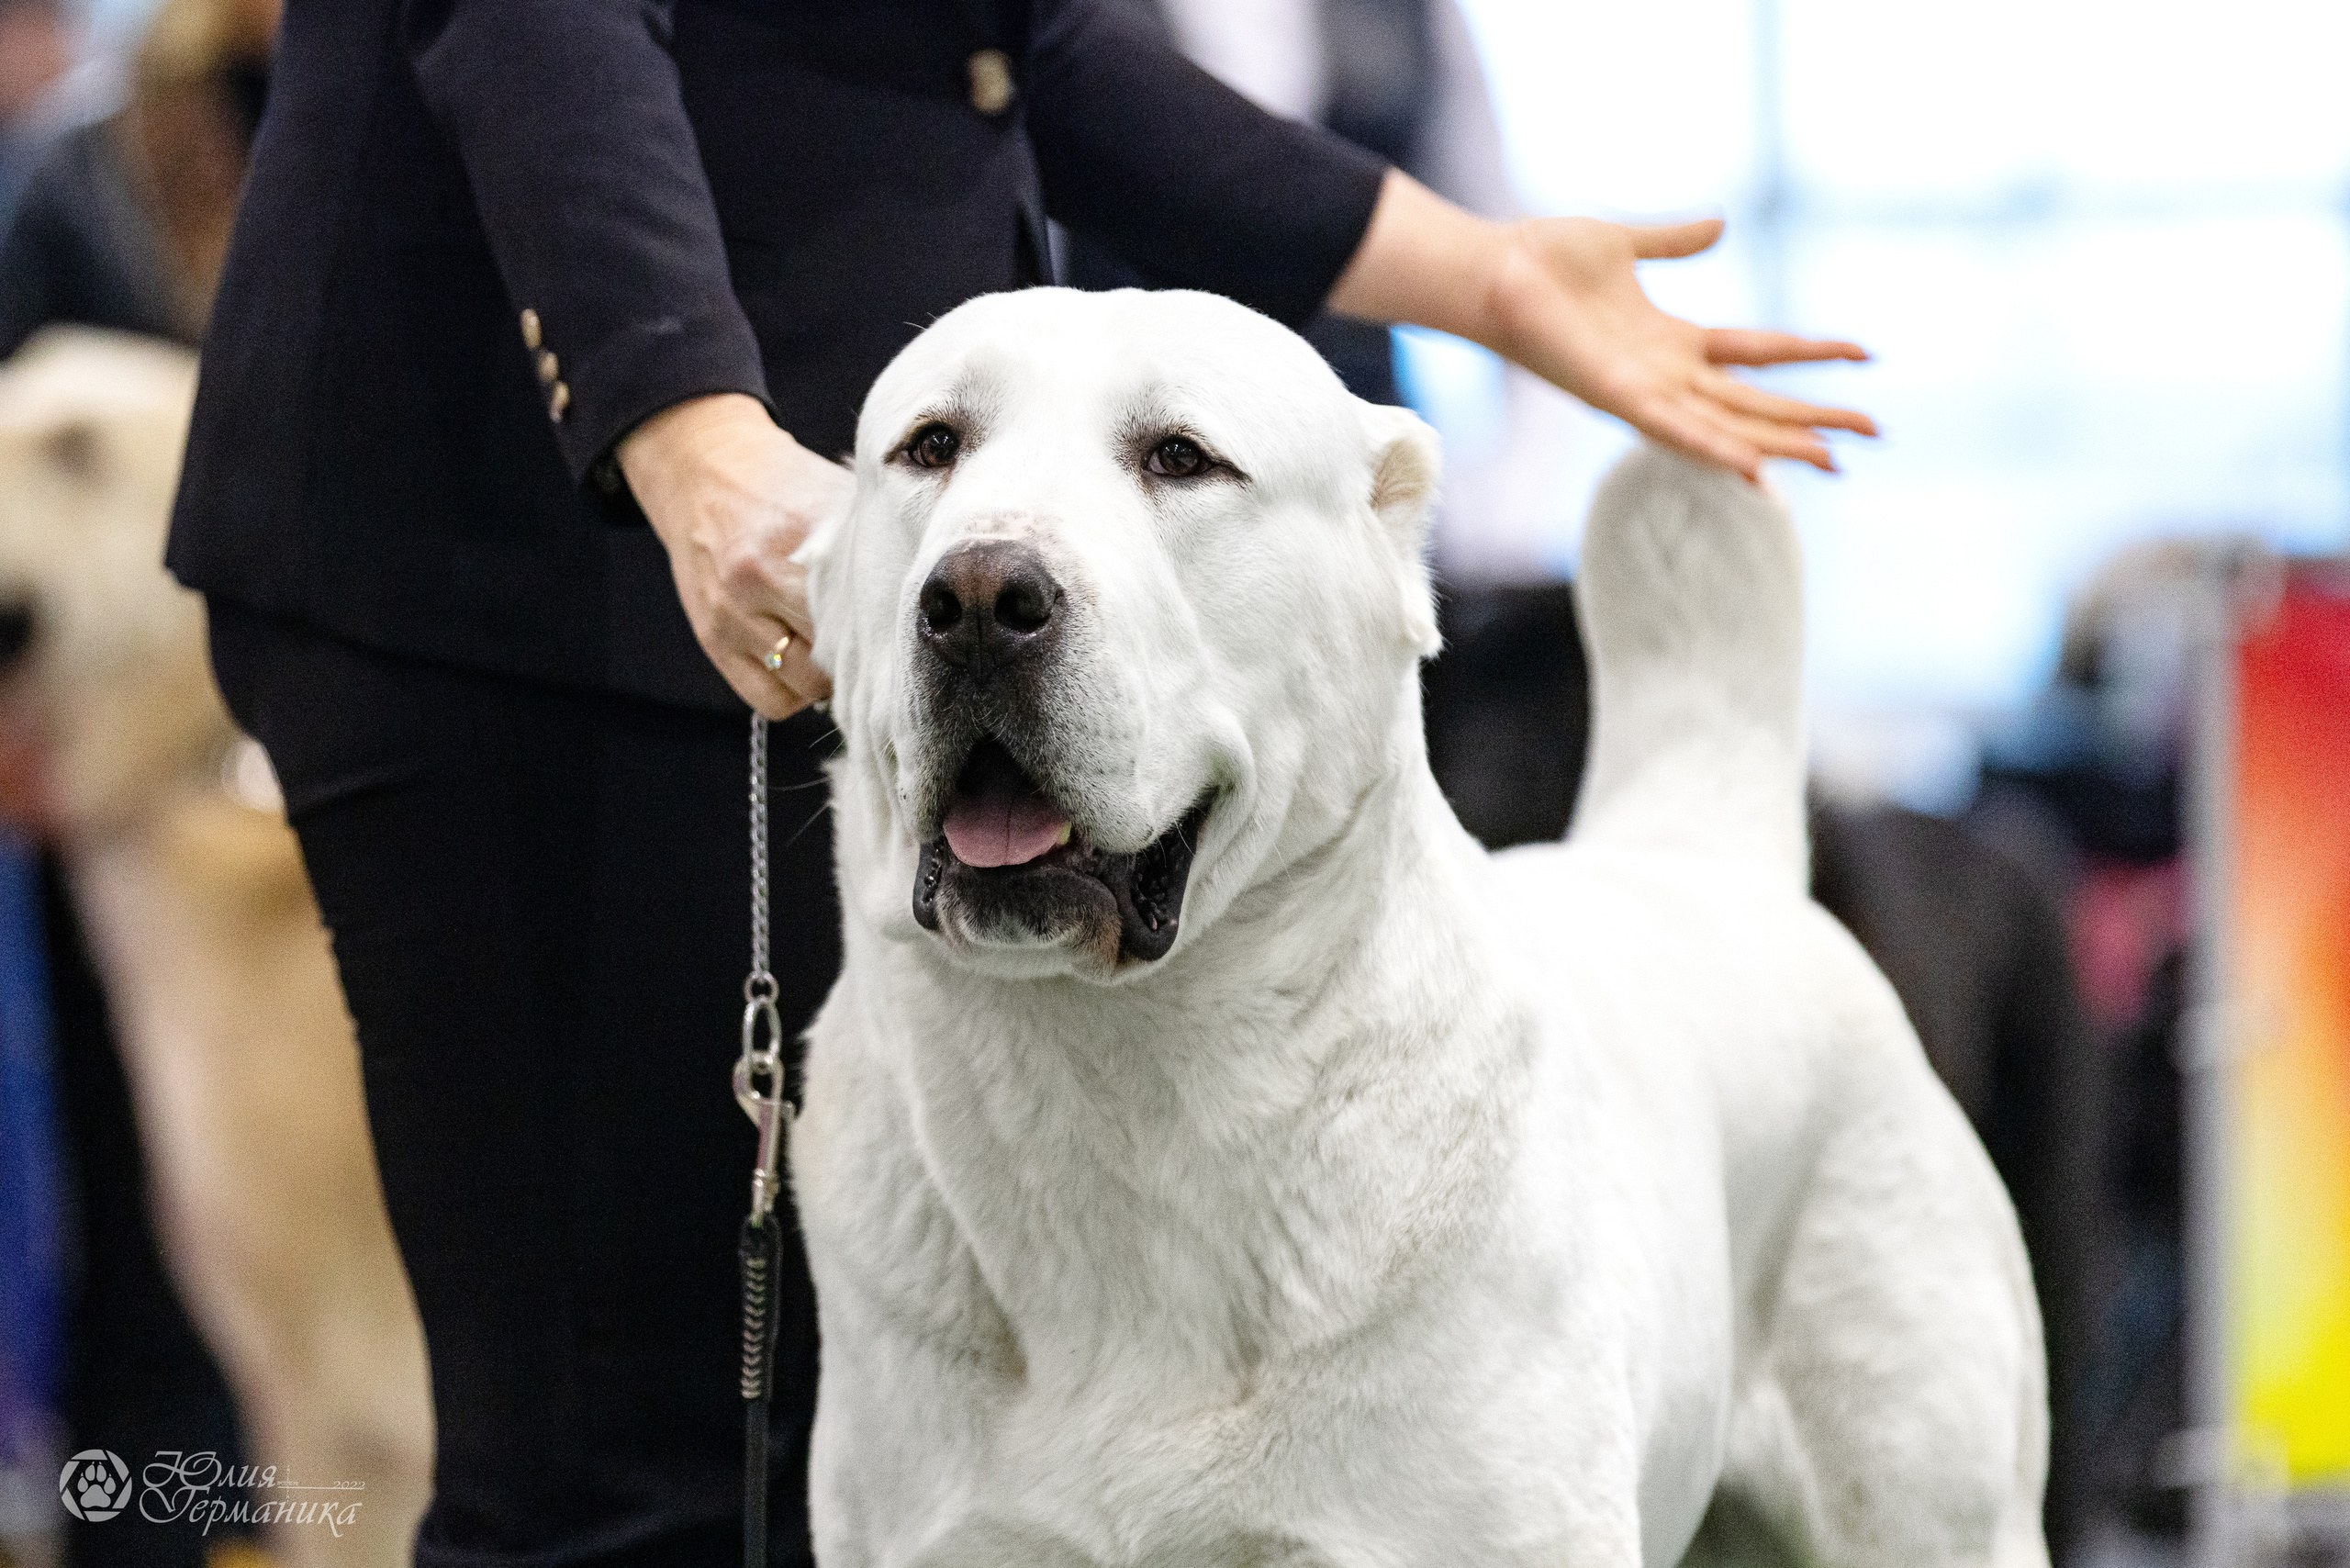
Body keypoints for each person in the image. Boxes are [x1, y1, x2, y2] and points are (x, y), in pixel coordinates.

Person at [162, 3, 1875, 1563]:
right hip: (531, 563)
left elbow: (999, 36)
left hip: (828, 549)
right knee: (632, 1480)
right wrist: (678, 419)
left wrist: (1477, 273)